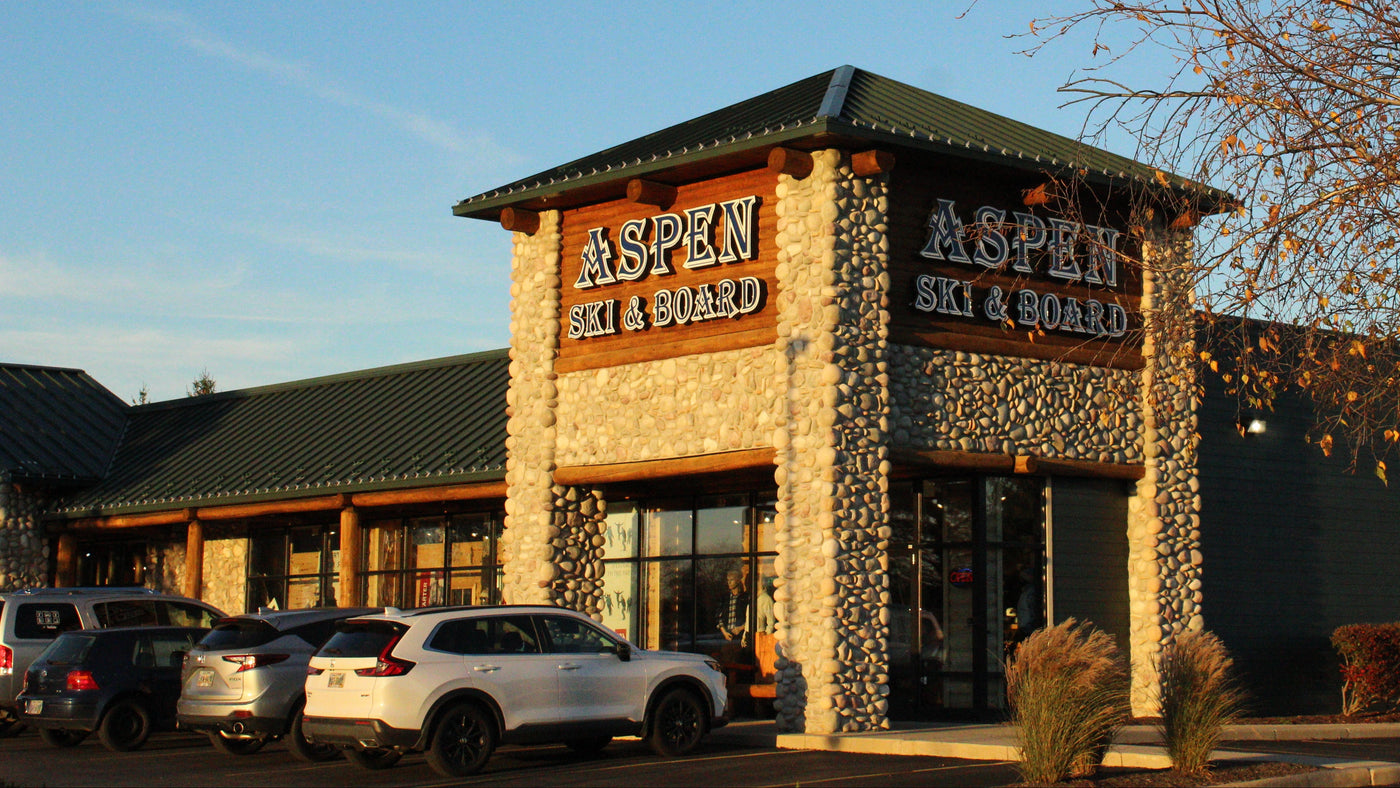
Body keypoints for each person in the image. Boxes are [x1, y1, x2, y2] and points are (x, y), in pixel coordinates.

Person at [717, 568, 748, 645]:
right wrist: (724, 632)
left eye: (732, 580)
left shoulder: (745, 598)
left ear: (738, 581)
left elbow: (751, 617)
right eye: (728, 580)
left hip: (741, 636)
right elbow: (718, 616)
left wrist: (741, 628)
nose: (729, 582)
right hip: (726, 636)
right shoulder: (725, 598)